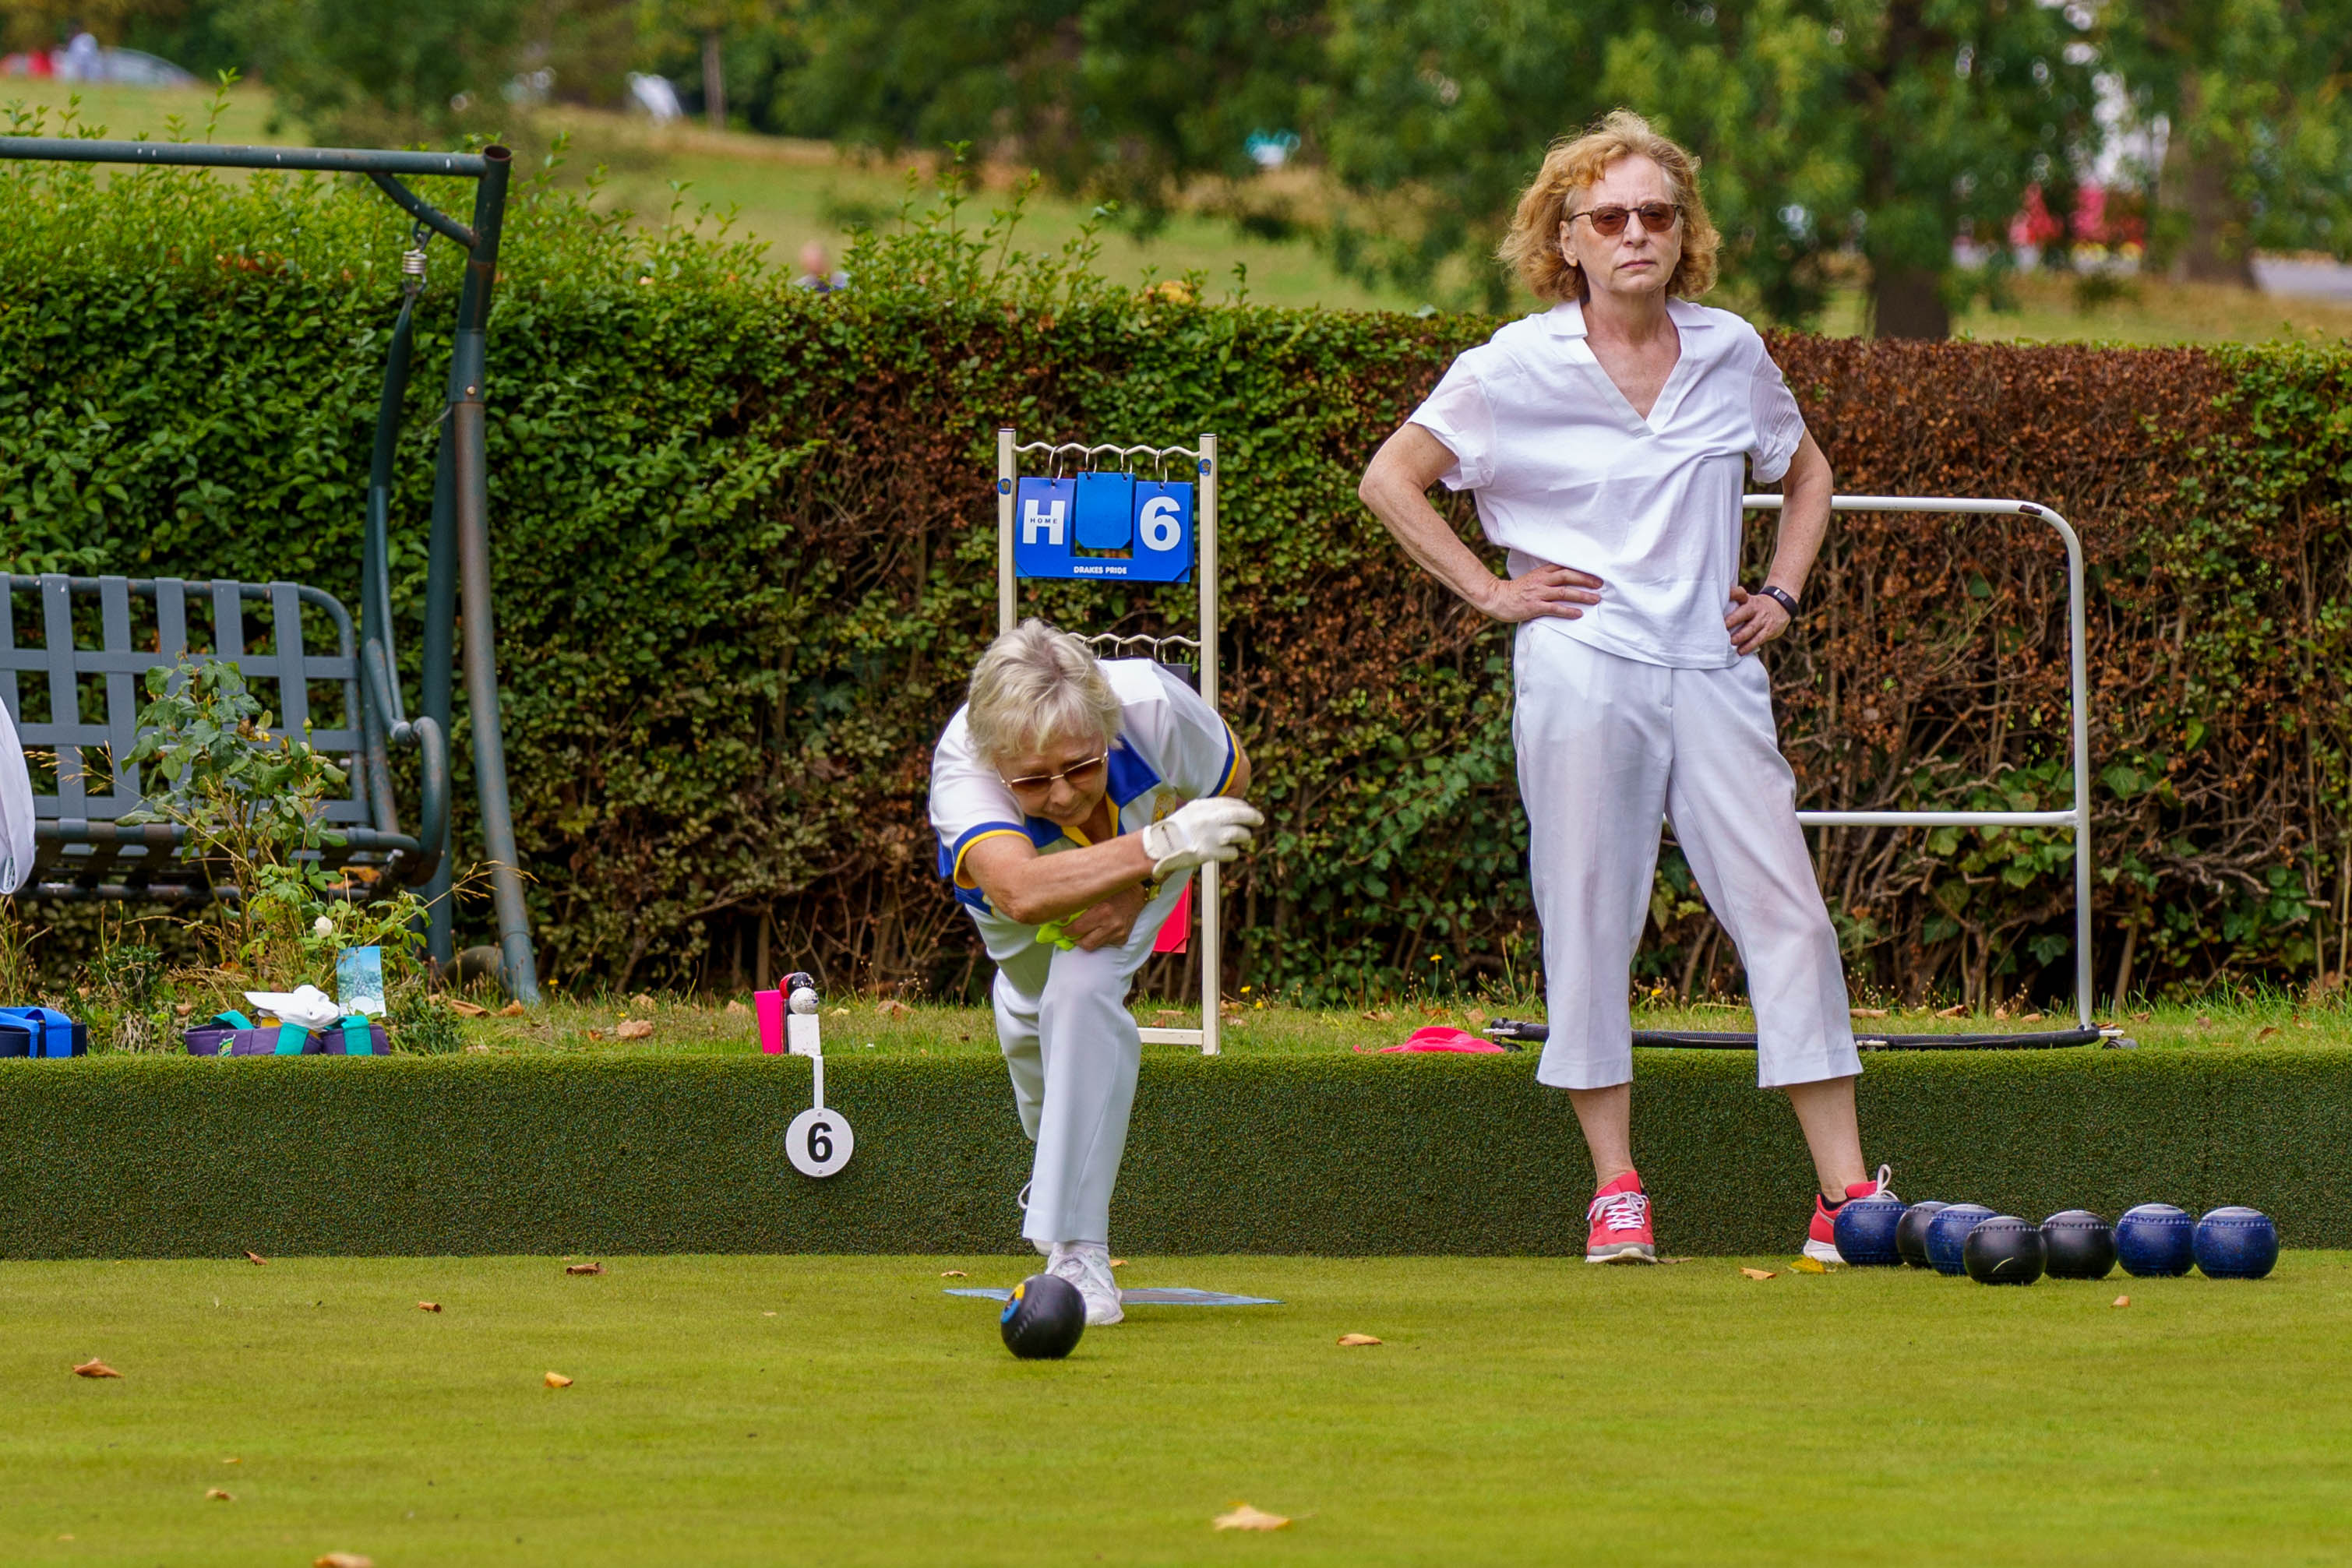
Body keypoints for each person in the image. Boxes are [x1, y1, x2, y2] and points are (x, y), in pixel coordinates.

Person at [1356, 111, 1891, 1265]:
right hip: (1581, 665)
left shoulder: (1730, 351)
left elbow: (1805, 474)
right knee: (1590, 915)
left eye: (1656, 213)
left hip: (1711, 669)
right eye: (1609, 217)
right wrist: (1489, 594)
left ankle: (1845, 1197)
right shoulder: (1508, 366)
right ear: (1566, 239)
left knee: (1787, 913)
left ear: (1682, 231)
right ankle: (1615, 1189)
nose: (1635, 232)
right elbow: (1390, 477)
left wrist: (1783, 595)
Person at [929, 620, 1260, 1322]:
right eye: (1032, 780)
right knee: (1034, 1010)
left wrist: (1142, 882)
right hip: (1022, 909)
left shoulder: (1154, 708)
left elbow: (1229, 780)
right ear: (996, 764)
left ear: (1107, 731)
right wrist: (1158, 843)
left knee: (1081, 986)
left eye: (1081, 766)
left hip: (1146, 868)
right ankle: (1028, 1037)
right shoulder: (963, 763)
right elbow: (1020, 892)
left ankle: (1079, 1252)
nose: (1061, 795)